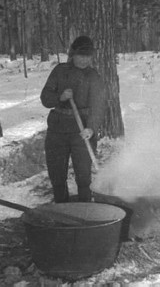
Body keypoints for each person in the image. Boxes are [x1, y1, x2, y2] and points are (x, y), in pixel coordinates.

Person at [40, 36, 105, 202]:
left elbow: (98, 106)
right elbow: (45, 98)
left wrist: (91, 128)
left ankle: (85, 211)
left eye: (88, 56)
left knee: (84, 177)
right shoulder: (60, 71)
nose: (84, 60)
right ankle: (63, 211)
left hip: (81, 130)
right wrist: (60, 97)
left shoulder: (93, 77)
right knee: (57, 176)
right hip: (58, 129)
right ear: (72, 55)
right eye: (80, 56)